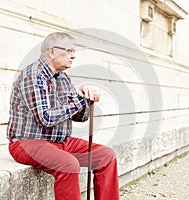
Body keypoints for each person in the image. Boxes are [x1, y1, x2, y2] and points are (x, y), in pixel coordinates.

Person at [6, 32, 119, 200]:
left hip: (61, 142)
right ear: (51, 51)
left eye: (74, 51)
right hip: (28, 143)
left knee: (106, 156)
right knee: (68, 164)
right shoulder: (33, 75)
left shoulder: (63, 78)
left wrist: (86, 98)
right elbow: (45, 118)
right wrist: (79, 102)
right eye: (69, 50)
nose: (73, 56)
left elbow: (80, 117)